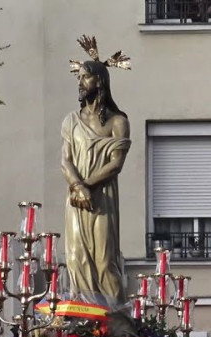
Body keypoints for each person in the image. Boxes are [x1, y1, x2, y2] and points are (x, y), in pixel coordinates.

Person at [61, 37, 131, 309]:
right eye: (78, 77)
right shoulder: (70, 121)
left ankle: (116, 317)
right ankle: (83, 315)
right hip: (77, 201)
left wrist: (86, 185)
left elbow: (116, 164)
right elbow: (65, 161)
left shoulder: (118, 122)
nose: (80, 83)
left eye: (85, 78)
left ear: (99, 82)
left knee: (104, 260)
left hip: (101, 201)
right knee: (76, 257)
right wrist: (77, 187)